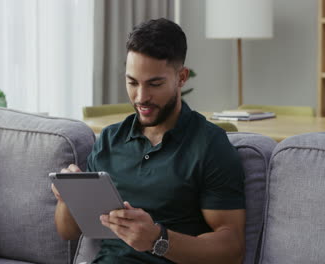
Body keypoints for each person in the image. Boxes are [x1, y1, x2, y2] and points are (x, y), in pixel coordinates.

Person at [52, 18, 246, 264]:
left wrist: (157, 239)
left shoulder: (209, 144)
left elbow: (233, 249)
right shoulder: (110, 140)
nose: (141, 97)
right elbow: (68, 231)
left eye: (155, 84)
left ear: (181, 77)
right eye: (132, 82)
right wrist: (66, 198)